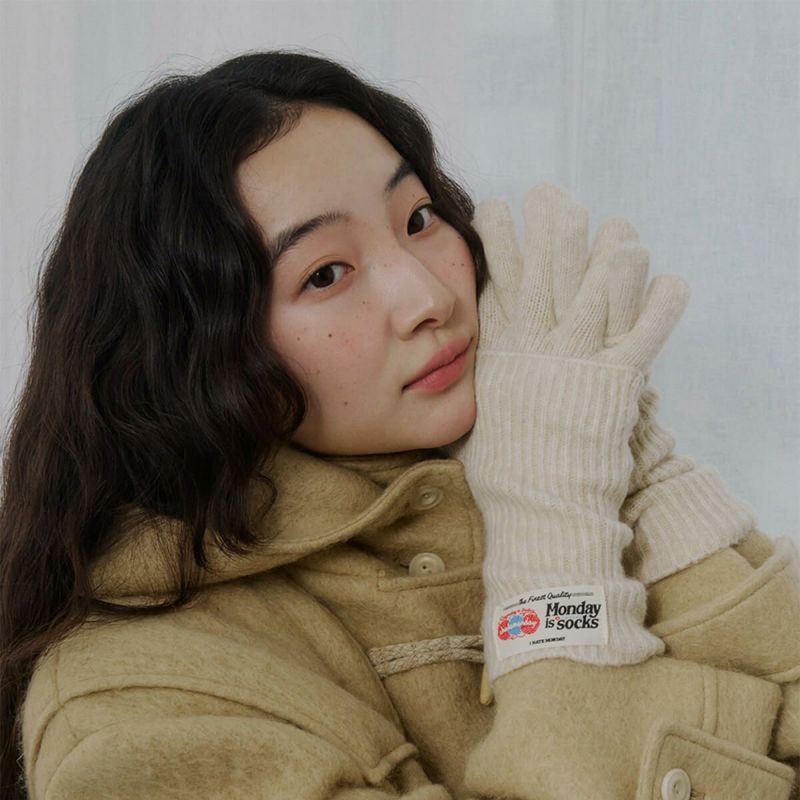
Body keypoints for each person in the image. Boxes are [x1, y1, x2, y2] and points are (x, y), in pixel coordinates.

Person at [1, 49, 798, 799]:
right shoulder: (136, 692)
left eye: (417, 218)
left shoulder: (538, 456)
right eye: (325, 273)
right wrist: (555, 537)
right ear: (191, 357)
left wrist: (630, 460)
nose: (430, 296)